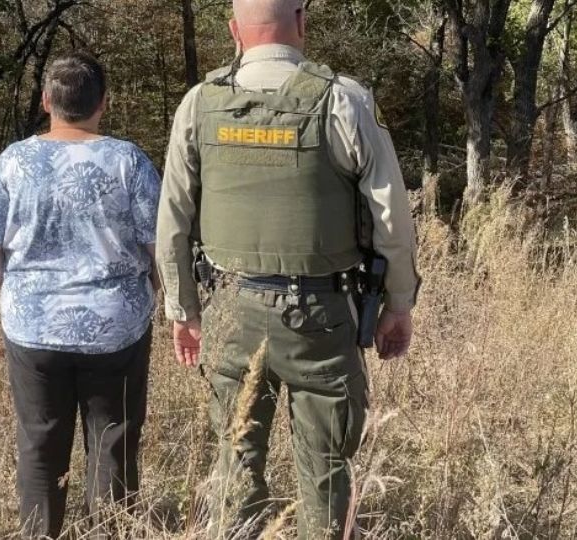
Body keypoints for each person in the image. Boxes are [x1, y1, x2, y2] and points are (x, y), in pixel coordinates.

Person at [155, 0, 421, 538]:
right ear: (301, 23)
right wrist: (398, 303)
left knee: (234, 460)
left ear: (234, 31)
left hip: (229, 306)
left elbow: (174, 220)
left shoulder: (199, 104)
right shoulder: (343, 101)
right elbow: (391, 214)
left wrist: (182, 310)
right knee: (325, 471)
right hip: (320, 315)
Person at [0, 52, 161, 539]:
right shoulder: (127, 160)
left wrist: (15, 284)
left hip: (34, 328)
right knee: (113, 441)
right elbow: (161, 243)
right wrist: (150, 289)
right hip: (116, 325)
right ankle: (111, 530)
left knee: (40, 442)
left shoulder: (15, 160)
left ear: (46, 100)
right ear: (104, 103)